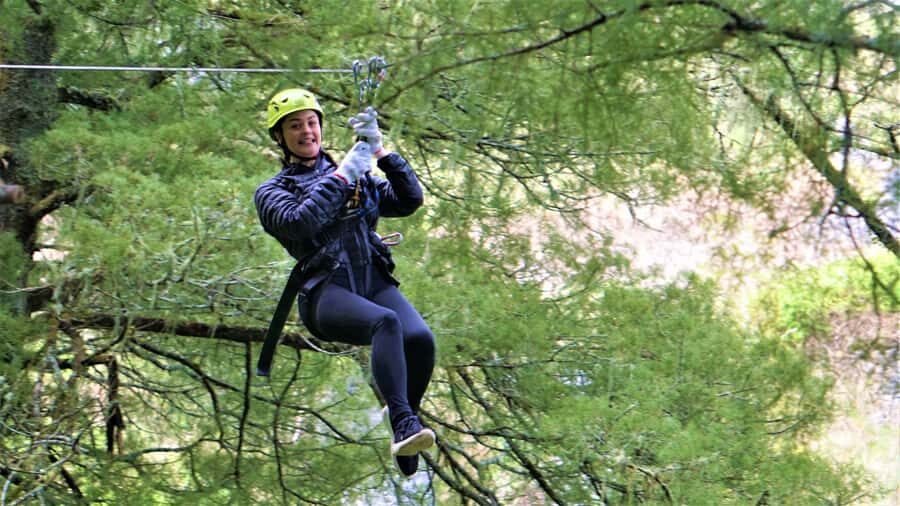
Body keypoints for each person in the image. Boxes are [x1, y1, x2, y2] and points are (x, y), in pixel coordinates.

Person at [254, 88, 436, 476]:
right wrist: (342, 176)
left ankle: (405, 419)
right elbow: (300, 222)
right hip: (326, 292)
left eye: (311, 123)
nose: (306, 132)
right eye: (294, 126)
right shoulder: (272, 192)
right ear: (279, 137)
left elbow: (408, 200)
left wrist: (382, 153)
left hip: (372, 278)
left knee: (420, 339)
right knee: (385, 322)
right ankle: (402, 420)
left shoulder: (357, 174)